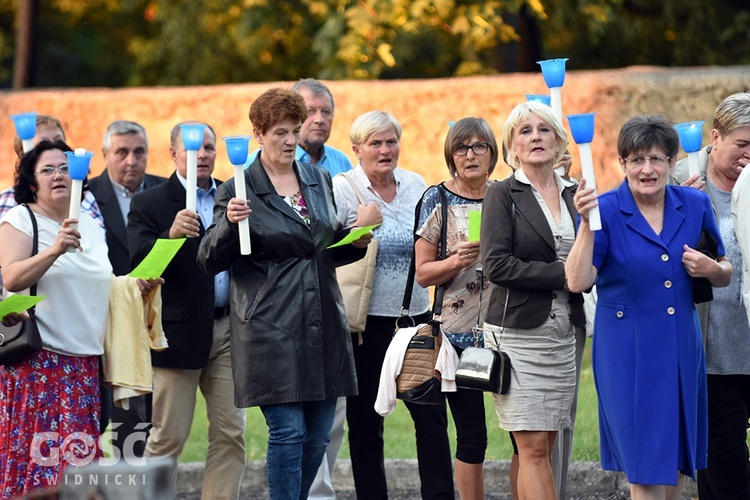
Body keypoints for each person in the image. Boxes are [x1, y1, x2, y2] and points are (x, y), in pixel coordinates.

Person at [197, 88, 368, 500]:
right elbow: (208, 259)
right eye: (280, 132)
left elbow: (320, 252)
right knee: (289, 431)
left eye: (295, 130)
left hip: (324, 319)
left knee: (318, 436)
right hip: (270, 326)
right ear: (258, 133)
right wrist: (226, 225)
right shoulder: (240, 188)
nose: (290, 140)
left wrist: (358, 238)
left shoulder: (318, 178)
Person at [566, 115, 733, 499]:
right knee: (643, 470)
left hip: (679, 346)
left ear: (672, 163)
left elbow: (724, 272)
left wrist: (710, 268)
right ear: (621, 164)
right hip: (625, 351)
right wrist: (585, 225)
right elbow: (577, 281)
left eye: (657, 159)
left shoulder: (695, 204)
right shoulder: (602, 209)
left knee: (672, 466)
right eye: (637, 160)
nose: (647, 169)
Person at [0, 140, 159, 497]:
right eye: (48, 169)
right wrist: (56, 249)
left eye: (65, 168)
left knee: (77, 468)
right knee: (39, 464)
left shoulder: (89, 224)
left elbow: (104, 286)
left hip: (84, 366)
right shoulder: (21, 219)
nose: (58, 175)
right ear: (31, 181)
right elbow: (11, 277)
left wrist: (137, 287)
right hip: (39, 364)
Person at [333, 110, 455, 500]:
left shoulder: (416, 184)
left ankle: (439, 496)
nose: (385, 150)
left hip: (415, 320)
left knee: (431, 416)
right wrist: (360, 228)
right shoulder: (343, 189)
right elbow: (329, 253)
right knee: (366, 424)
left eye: (391, 141)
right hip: (364, 326)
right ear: (357, 150)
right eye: (375, 143)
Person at [128, 122, 246, 499]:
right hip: (176, 337)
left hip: (229, 330)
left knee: (231, 433)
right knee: (168, 438)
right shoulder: (151, 202)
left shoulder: (234, 195)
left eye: (210, 147)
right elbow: (139, 269)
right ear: (174, 154)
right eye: (195, 148)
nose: (204, 154)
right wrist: (170, 236)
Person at [480, 100, 584, 500]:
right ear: (512, 146)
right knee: (533, 447)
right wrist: (565, 275)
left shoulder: (577, 195)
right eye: (525, 131)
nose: (536, 137)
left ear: (558, 141)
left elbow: (596, 253)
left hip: (567, 331)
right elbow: (497, 266)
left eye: (544, 129)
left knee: (546, 444)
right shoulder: (502, 194)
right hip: (517, 332)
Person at [413, 117, 496, 499]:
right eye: (462, 147)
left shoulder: (506, 195)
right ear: (451, 155)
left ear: (493, 153)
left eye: (480, 146)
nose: (470, 154)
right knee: (472, 436)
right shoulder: (437, 198)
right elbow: (423, 274)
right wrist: (456, 262)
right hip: (458, 338)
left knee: (521, 436)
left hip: (506, 332)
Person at [673, 92, 750, 499]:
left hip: (749, 341)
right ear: (715, 138)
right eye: (743, 144)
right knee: (725, 464)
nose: (749, 155)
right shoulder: (676, 182)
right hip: (709, 352)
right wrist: (671, 212)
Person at [88, 119, 166, 459]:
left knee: (162, 424)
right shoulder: (87, 197)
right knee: (125, 418)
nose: (131, 160)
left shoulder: (167, 193)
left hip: (160, 319)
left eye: (138, 152)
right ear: (106, 154)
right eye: (122, 152)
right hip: (111, 320)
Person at [0, 114, 102, 224]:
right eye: (42, 143)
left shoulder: (86, 197)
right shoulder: (8, 201)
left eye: (59, 141)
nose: (52, 147)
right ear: (22, 154)